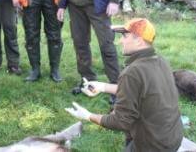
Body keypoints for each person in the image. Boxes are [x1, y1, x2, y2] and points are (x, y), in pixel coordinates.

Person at [65, 18, 183, 152]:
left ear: (138, 40)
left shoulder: (133, 72)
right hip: (173, 136)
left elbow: (120, 121)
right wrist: (102, 87)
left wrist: (87, 115)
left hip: (152, 145)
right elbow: (141, 91)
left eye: (125, 36)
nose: (120, 41)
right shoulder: (161, 61)